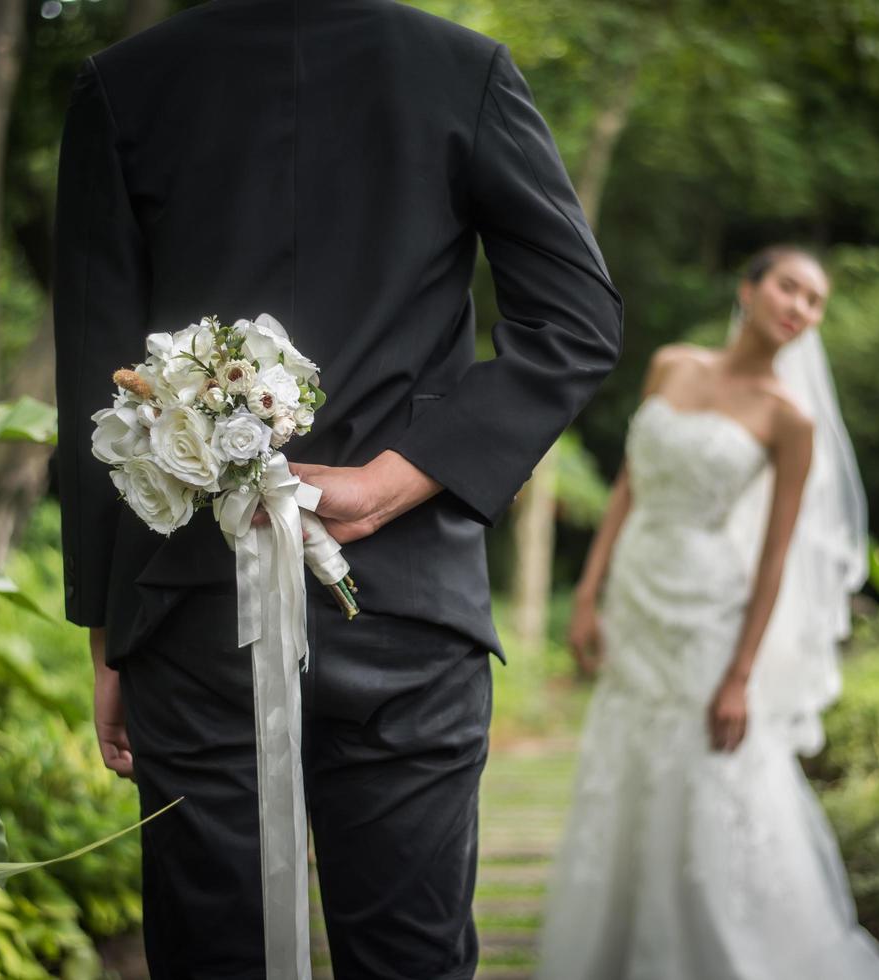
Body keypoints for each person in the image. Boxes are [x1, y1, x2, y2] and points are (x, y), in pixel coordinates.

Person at [50, 1, 623, 977]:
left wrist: (109, 629)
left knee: (209, 956)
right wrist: (398, 480)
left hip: (189, 611)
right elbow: (576, 318)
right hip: (407, 604)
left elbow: (98, 381)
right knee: (409, 957)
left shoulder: (125, 85)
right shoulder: (462, 70)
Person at [536, 247, 879, 979]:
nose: (799, 307)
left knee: (710, 772)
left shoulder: (790, 420)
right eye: (789, 287)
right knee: (625, 760)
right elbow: (631, 485)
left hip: (711, 612)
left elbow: (774, 556)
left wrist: (739, 674)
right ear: (749, 288)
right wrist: (587, 592)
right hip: (636, 595)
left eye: (814, 300)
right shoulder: (671, 363)